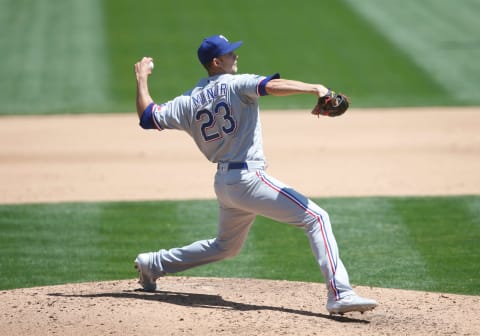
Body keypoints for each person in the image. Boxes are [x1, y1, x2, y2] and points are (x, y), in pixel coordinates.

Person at [133, 34, 377, 315]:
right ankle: (340, 294)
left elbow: (147, 116)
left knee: (225, 247)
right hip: (248, 180)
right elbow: (270, 86)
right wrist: (316, 88)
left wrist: (142, 78)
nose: (235, 56)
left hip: (225, 184)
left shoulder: (189, 101)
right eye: (230, 54)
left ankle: (154, 264)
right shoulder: (236, 84)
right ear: (216, 62)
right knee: (317, 218)